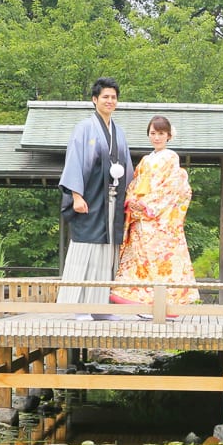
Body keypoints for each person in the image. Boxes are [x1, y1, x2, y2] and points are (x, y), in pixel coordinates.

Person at [56, 77, 134, 319]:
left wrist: (130, 198)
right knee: (85, 249)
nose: (110, 101)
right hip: (90, 200)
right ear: (94, 100)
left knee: (107, 251)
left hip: (112, 200)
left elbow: (128, 169)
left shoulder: (118, 133)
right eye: (105, 97)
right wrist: (76, 196)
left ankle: (99, 307)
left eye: (113, 97)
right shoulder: (84, 128)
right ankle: (77, 307)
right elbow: (75, 163)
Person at [111, 115, 200, 313]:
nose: (157, 137)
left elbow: (173, 188)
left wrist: (147, 204)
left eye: (161, 133)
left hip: (160, 222)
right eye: (153, 133)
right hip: (142, 221)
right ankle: (143, 305)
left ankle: (164, 307)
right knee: (142, 264)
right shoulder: (145, 160)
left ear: (168, 135)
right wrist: (132, 200)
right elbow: (134, 184)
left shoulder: (171, 157)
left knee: (162, 263)